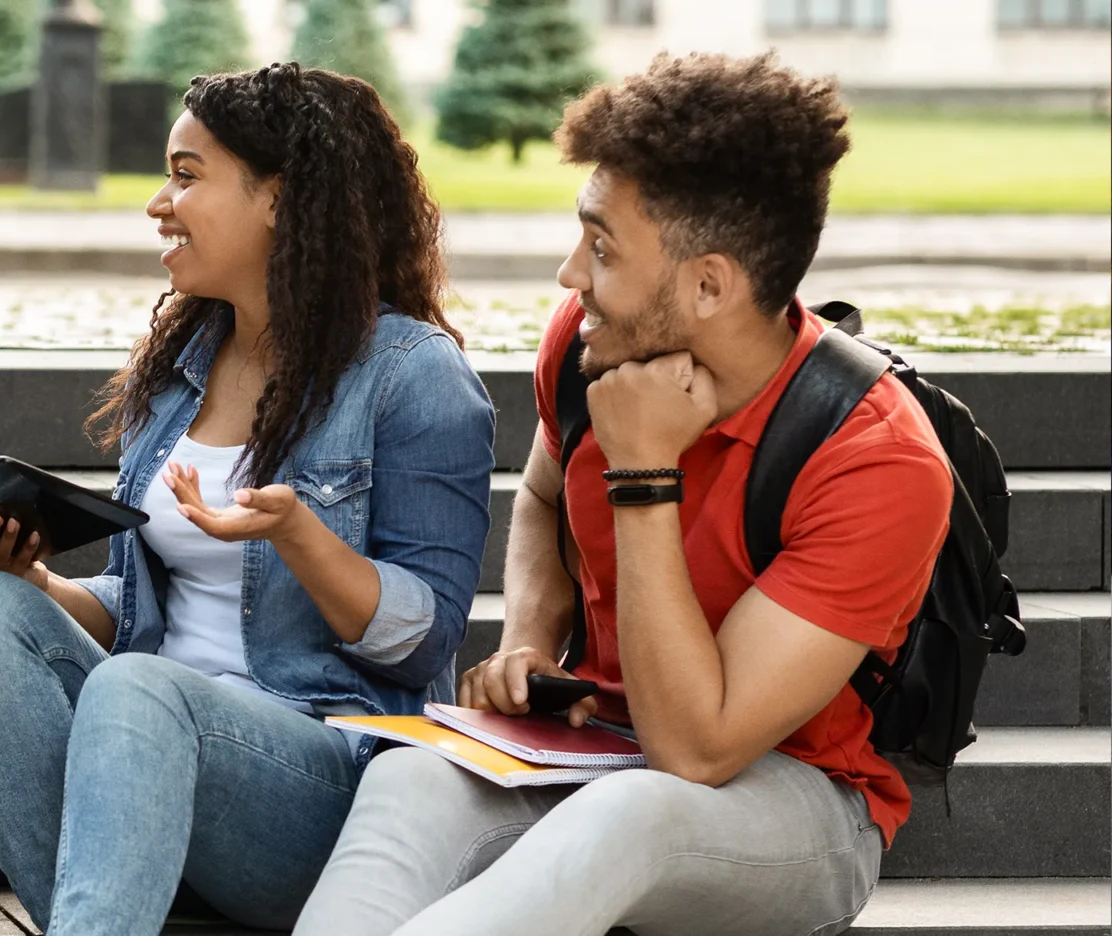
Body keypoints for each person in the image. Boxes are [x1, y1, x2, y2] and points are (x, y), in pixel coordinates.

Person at [293, 52, 950, 936]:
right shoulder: (586, 345)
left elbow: (696, 749)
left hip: (794, 804)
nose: (570, 277)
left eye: (601, 248)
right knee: (412, 774)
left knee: (634, 815)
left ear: (709, 283)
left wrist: (645, 476)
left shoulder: (877, 461)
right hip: (591, 748)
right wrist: (528, 640)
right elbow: (537, 498)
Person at [0, 64, 494, 936]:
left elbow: (424, 642)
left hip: (317, 790)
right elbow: (150, 610)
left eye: (188, 176)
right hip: (141, 767)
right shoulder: (183, 370)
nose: (159, 201)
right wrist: (33, 582)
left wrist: (302, 536)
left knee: (137, 692)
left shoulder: (412, 376)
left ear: (281, 198)